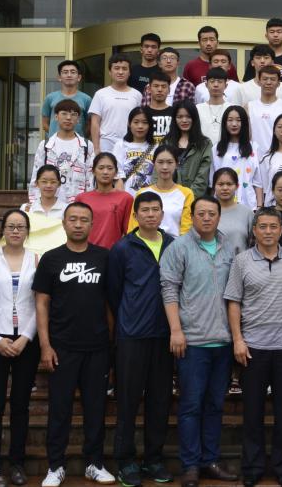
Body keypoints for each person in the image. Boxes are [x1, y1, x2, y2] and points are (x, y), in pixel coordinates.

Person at [160, 196, 241, 487]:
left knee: (215, 405)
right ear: (192, 216)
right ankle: (191, 465)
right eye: (201, 213)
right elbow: (169, 289)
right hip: (192, 342)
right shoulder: (179, 247)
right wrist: (176, 330)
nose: (206, 218)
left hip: (223, 341)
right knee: (191, 405)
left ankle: (210, 460)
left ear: (219, 217)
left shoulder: (229, 247)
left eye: (212, 214)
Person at [33, 202, 115, 487]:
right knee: (59, 410)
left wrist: (111, 344)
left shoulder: (104, 257)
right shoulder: (51, 259)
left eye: (84, 220)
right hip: (62, 347)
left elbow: (110, 304)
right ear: (64, 223)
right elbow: (41, 304)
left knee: (96, 410)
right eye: (73, 219)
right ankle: (55, 466)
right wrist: (45, 345)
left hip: (97, 347)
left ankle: (94, 463)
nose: (78, 224)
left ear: (92, 224)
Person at [224, 208, 282, 487]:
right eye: (263, 227)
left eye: (273, 227)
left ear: (281, 230)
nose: (268, 232)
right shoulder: (242, 261)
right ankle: (253, 467)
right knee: (253, 411)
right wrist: (238, 339)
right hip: (252, 347)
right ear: (254, 230)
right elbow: (234, 301)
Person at [105, 192, 175, 487]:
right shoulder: (122, 248)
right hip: (132, 335)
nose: (150, 214)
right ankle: (125, 461)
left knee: (160, 401)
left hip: (165, 336)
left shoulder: (173, 244)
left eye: (155, 209)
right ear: (135, 215)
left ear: (162, 214)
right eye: (144, 210)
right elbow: (114, 292)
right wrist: (129, 318)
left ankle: (154, 459)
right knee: (128, 401)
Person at [0, 210, 40, 487]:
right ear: (2, 229)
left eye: (21, 227)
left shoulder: (37, 260)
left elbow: (41, 303)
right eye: (11, 226)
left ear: (27, 231)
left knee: (21, 404)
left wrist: (26, 336)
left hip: (27, 340)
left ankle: (17, 462)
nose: (15, 231)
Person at [29, 99, 94, 205]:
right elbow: (36, 176)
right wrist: (34, 204)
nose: (68, 118)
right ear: (56, 117)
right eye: (64, 113)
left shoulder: (87, 146)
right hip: (50, 205)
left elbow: (90, 179)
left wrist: (89, 204)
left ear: (78, 119)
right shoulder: (45, 146)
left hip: (78, 205)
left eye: (73, 114)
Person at [129, 144, 195, 238]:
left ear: (176, 164)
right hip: (144, 244)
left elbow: (186, 230)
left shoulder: (187, 194)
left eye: (169, 162)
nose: (165, 167)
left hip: (175, 245)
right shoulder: (141, 193)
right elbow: (133, 227)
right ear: (154, 164)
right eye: (160, 162)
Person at [76, 153, 134, 253]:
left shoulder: (126, 198)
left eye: (110, 168)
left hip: (113, 254)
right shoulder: (82, 198)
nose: (105, 172)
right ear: (93, 171)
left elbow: (129, 233)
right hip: (85, 254)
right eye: (101, 168)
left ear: (116, 172)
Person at [88, 53, 143, 154]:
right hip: (105, 144)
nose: (120, 72)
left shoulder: (137, 95)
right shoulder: (100, 94)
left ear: (129, 72)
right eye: (116, 68)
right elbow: (95, 123)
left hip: (130, 143)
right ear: (110, 72)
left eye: (124, 69)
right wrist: (96, 148)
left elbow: (141, 121)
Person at [213, 106, 260, 209]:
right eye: (230, 120)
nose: (234, 124)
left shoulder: (254, 147)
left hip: (248, 203)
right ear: (224, 123)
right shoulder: (216, 148)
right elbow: (212, 180)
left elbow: (258, 181)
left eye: (238, 120)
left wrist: (260, 206)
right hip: (221, 204)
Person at [166, 100, 213, 197]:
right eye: (180, 117)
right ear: (174, 119)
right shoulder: (166, 142)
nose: (184, 120)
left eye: (188, 116)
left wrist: (188, 198)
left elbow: (202, 178)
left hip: (195, 200)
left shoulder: (205, 144)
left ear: (194, 118)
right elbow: (157, 173)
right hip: (168, 198)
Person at [42, 59, 92, 138]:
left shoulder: (86, 99)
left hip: (78, 144)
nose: (69, 75)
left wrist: (80, 138)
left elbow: (90, 124)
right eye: (65, 72)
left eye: (73, 72)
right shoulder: (50, 98)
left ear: (79, 77)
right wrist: (56, 136)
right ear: (59, 77)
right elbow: (45, 123)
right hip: (55, 144)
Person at [112, 107, 156, 196]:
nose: (140, 126)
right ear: (129, 124)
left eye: (144, 122)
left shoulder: (156, 147)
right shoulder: (121, 145)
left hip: (150, 196)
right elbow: (116, 168)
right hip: (126, 195)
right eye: (136, 122)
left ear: (150, 125)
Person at [243, 18, 282, 82]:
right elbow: (248, 82)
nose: (275, 35)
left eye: (279, 32)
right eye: (272, 32)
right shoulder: (257, 59)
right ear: (266, 35)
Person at [214, 167, 255, 251]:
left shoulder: (247, 213)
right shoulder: (207, 212)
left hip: (241, 258)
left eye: (229, 184)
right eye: (220, 184)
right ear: (214, 186)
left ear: (237, 186)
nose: (225, 188)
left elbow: (253, 244)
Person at [197, 67, 238, 145]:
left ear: (226, 85)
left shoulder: (233, 109)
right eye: (212, 81)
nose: (216, 85)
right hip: (203, 150)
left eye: (220, 82)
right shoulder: (197, 109)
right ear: (206, 85)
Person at [145, 71, 174, 142]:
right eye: (156, 86)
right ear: (149, 89)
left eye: (163, 86)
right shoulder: (142, 113)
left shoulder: (175, 113)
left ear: (169, 90)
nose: (160, 90)